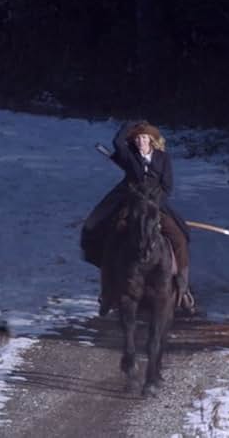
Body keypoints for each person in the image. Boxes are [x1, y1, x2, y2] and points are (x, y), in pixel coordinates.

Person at [81, 120, 195, 314]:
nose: (141, 142)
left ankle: (183, 288)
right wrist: (129, 125)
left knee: (180, 237)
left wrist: (153, 205)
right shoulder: (129, 155)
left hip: (155, 204)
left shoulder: (163, 158)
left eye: (144, 138)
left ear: (152, 140)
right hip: (129, 203)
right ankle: (108, 291)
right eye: (138, 138)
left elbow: (167, 187)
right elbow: (117, 142)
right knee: (111, 235)